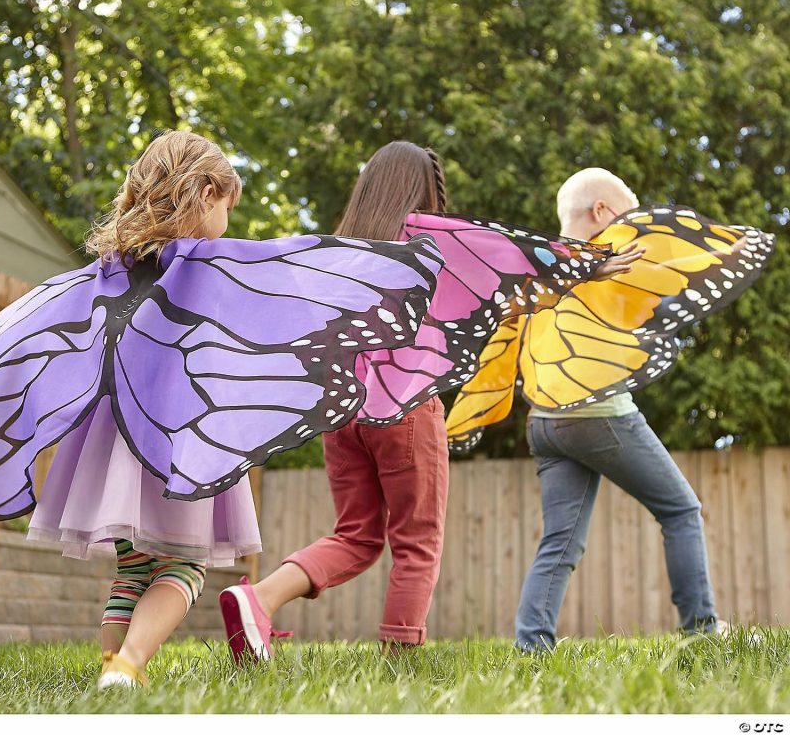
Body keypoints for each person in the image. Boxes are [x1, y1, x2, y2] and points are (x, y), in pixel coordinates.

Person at [0, 130, 447, 688]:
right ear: (207, 192)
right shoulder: (210, 265)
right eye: (228, 206)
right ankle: (129, 666)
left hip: (111, 443)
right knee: (183, 566)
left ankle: (111, 666)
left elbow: (50, 324)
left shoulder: (107, 269)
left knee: (131, 569)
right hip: (179, 439)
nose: (229, 222)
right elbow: (264, 318)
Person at [219, 145, 642, 663]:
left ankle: (258, 599)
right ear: (422, 190)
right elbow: (510, 252)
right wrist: (591, 263)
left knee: (356, 535)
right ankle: (401, 661)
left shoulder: (337, 248)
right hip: (406, 412)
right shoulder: (430, 236)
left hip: (342, 413)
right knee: (416, 542)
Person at [516, 167, 720, 651]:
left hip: (544, 422)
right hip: (598, 416)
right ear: (602, 211)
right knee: (682, 510)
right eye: (627, 217)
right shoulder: (602, 261)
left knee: (560, 542)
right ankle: (703, 630)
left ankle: (532, 646)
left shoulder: (538, 265)